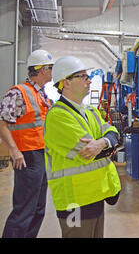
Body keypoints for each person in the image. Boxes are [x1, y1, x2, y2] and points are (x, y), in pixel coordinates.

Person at [43, 56, 121, 238]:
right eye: (83, 76)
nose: (89, 80)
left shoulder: (91, 111)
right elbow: (90, 153)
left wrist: (103, 141)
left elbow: (113, 133)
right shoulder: (58, 117)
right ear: (66, 83)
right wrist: (108, 143)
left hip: (96, 194)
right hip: (74, 201)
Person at [0, 49, 54, 238]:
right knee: (24, 209)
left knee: (38, 208)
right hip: (27, 156)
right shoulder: (18, 92)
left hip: (41, 155)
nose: (52, 72)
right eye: (50, 68)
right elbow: (2, 123)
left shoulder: (42, 95)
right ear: (41, 70)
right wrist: (14, 151)